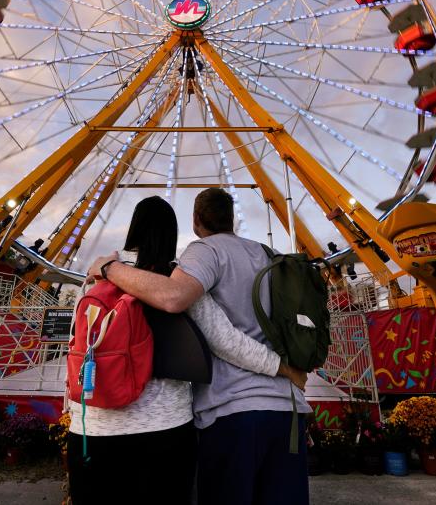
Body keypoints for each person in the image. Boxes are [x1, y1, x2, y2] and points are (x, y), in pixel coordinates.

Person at [68, 196, 305, 505]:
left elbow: (77, 347)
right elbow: (229, 342)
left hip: (91, 430)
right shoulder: (172, 281)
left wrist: (74, 414)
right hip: (163, 428)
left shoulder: (96, 282)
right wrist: (284, 368)